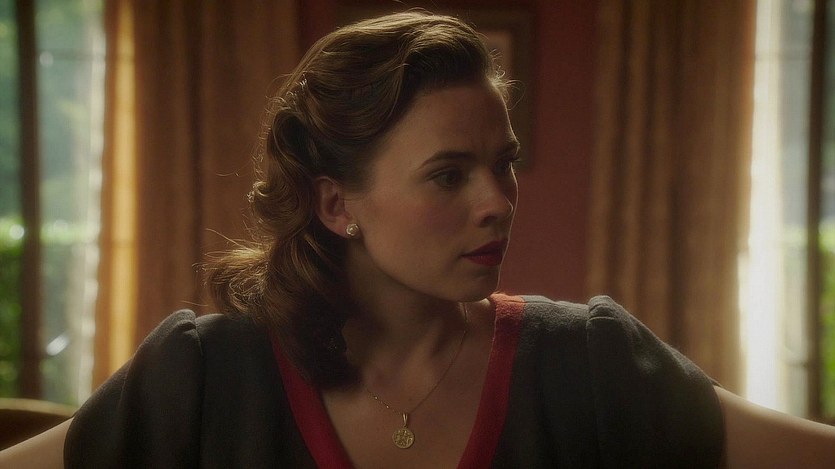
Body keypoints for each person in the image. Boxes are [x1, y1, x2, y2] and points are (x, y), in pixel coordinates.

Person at [3, 10, 835, 468]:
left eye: (502, 164)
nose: (497, 203)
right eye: (447, 175)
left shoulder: (587, 365)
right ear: (337, 203)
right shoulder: (203, 380)